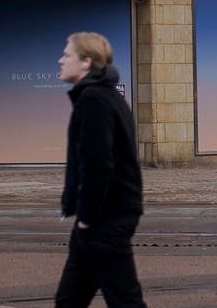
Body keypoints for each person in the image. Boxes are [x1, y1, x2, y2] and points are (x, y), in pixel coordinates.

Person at [55, 32, 146, 308]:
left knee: (125, 301)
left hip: (104, 220)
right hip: (103, 217)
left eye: (67, 54)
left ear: (86, 62)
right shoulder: (106, 96)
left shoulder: (93, 100)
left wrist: (87, 218)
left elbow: (99, 165)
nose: (61, 60)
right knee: (69, 301)